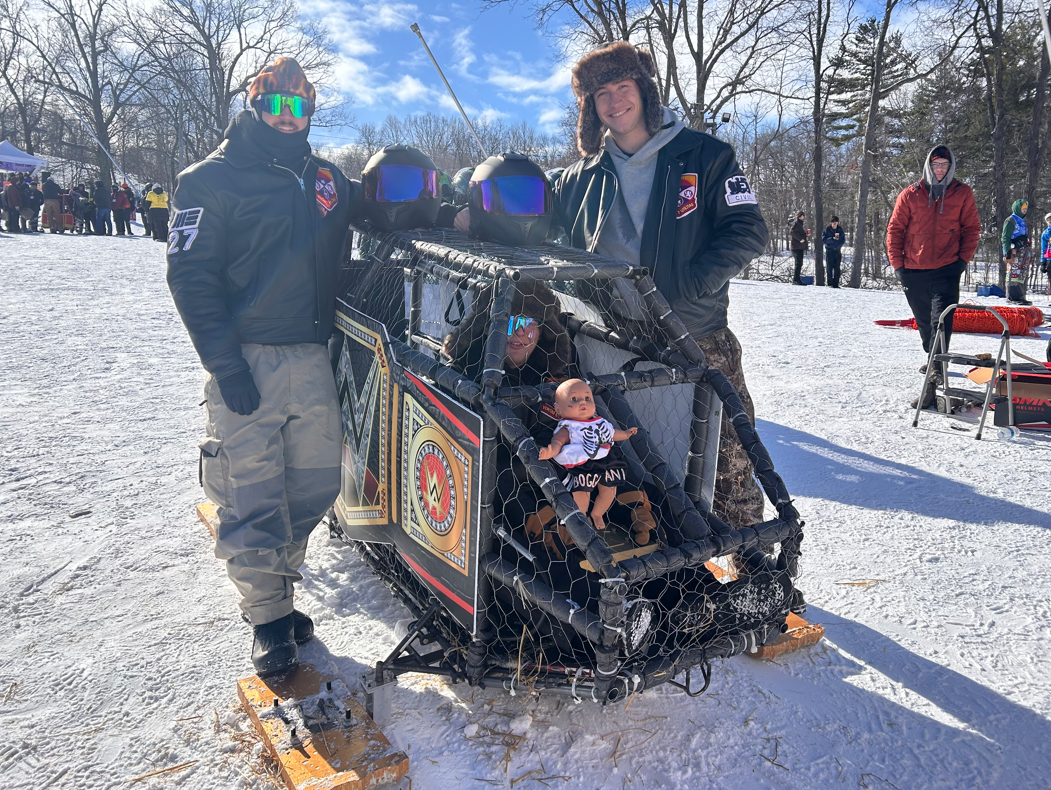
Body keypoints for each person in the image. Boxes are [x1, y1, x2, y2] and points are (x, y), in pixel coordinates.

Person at [166, 56, 363, 675]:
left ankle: (276, 588)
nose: (289, 116)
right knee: (251, 489)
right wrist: (226, 366)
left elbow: (385, 216)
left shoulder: (326, 178)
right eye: (276, 103)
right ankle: (269, 616)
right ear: (256, 103)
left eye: (300, 105)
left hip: (312, 357)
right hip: (246, 358)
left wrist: (460, 209)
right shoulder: (209, 180)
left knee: (311, 487)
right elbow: (190, 276)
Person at [538, 41, 769, 534]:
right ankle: (671, 561)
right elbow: (533, 223)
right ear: (590, 107)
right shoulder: (581, 178)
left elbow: (748, 229)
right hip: (617, 339)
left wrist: (687, 286)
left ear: (642, 91)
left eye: (623, 87)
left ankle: (755, 571)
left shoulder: (706, 155)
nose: (614, 101)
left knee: (726, 457)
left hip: (695, 334)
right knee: (640, 456)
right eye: (601, 93)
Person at [886, 144, 980, 407]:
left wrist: (961, 262)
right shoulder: (910, 195)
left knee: (942, 320)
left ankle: (933, 376)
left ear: (951, 168)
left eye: (945, 166)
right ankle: (934, 360)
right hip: (913, 270)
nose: (940, 170)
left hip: (947, 268)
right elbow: (895, 231)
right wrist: (899, 266)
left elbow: (972, 229)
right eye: (936, 165)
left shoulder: (962, 193)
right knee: (926, 325)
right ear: (929, 166)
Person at [537, 378, 638, 532]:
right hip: (583, 464)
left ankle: (597, 513)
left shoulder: (599, 422)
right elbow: (558, 442)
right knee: (581, 494)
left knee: (610, 490)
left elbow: (612, 434)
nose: (582, 402)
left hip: (607, 460)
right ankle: (582, 515)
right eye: (574, 399)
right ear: (558, 410)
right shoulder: (568, 427)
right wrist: (549, 451)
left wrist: (625, 433)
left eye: (587, 398)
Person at [1002, 198, 1032, 305]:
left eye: (1026, 208)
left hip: (1023, 251)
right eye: (1023, 208)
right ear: (1017, 208)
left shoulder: (1023, 221)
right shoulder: (1011, 220)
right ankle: (1012, 296)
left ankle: (1020, 295)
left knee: (1021, 274)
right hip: (1014, 251)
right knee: (1013, 273)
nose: (1025, 210)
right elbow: (1005, 237)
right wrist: (1007, 252)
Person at [821, 215, 845, 288]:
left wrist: (837, 245)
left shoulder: (840, 230)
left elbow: (842, 240)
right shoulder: (827, 230)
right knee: (829, 268)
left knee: (837, 268)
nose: (835, 224)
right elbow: (824, 240)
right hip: (829, 251)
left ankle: (836, 283)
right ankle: (830, 283)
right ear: (831, 223)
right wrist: (832, 239)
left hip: (837, 251)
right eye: (833, 222)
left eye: (836, 222)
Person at [790, 211, 808, 285]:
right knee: (798, 263)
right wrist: (800, 239)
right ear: (799, 217)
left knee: (800, 263)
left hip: (800, 247)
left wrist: (805, 235)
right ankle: (795, 279)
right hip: (796, 247)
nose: (803, 217)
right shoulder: (796, 224)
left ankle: (797, 279)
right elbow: (793, 232)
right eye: (802, 216)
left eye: (803, 216)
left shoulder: (800, 225)